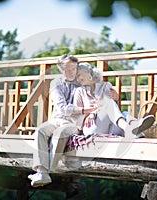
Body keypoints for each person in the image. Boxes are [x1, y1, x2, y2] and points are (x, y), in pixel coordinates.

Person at [27, 54, 98, 187]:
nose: (72, 72)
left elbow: (98, 90)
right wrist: (84, 110)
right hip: (57, 119)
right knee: (40, 131)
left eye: (74, 68)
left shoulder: (82, 80)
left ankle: (46, 171)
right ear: (61, 69)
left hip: (74, 123)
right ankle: (42, 172)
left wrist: (112, 93)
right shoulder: (56, 83)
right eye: (68, 69)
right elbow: (62, 108)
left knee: (60, 133)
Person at [73, 62, 155, 138]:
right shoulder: (79, 91)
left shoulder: (105, 86)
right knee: (110, 104)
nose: (77, 78)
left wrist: (116, 98)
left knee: (124, 114)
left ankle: (134, 130)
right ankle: (132, 127)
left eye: (79, 75)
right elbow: (77, 119)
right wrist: (90, 113)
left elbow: (112, 110)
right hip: (92, 128)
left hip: (111, 127)